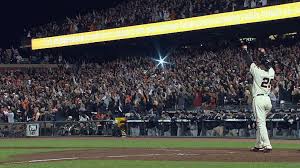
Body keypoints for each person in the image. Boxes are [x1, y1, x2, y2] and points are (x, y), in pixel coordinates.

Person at [242, 45, 274, 153]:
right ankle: (258, 144)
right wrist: (263, 52)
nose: (259, 66)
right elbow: (268, 64)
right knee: (261, 123)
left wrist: (245, 50)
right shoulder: (271, 73)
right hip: (268, 100)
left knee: (260, 123)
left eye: (261, 64)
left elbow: (249, 61)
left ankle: (267, 145)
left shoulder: (258, 73)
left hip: (259, 99)